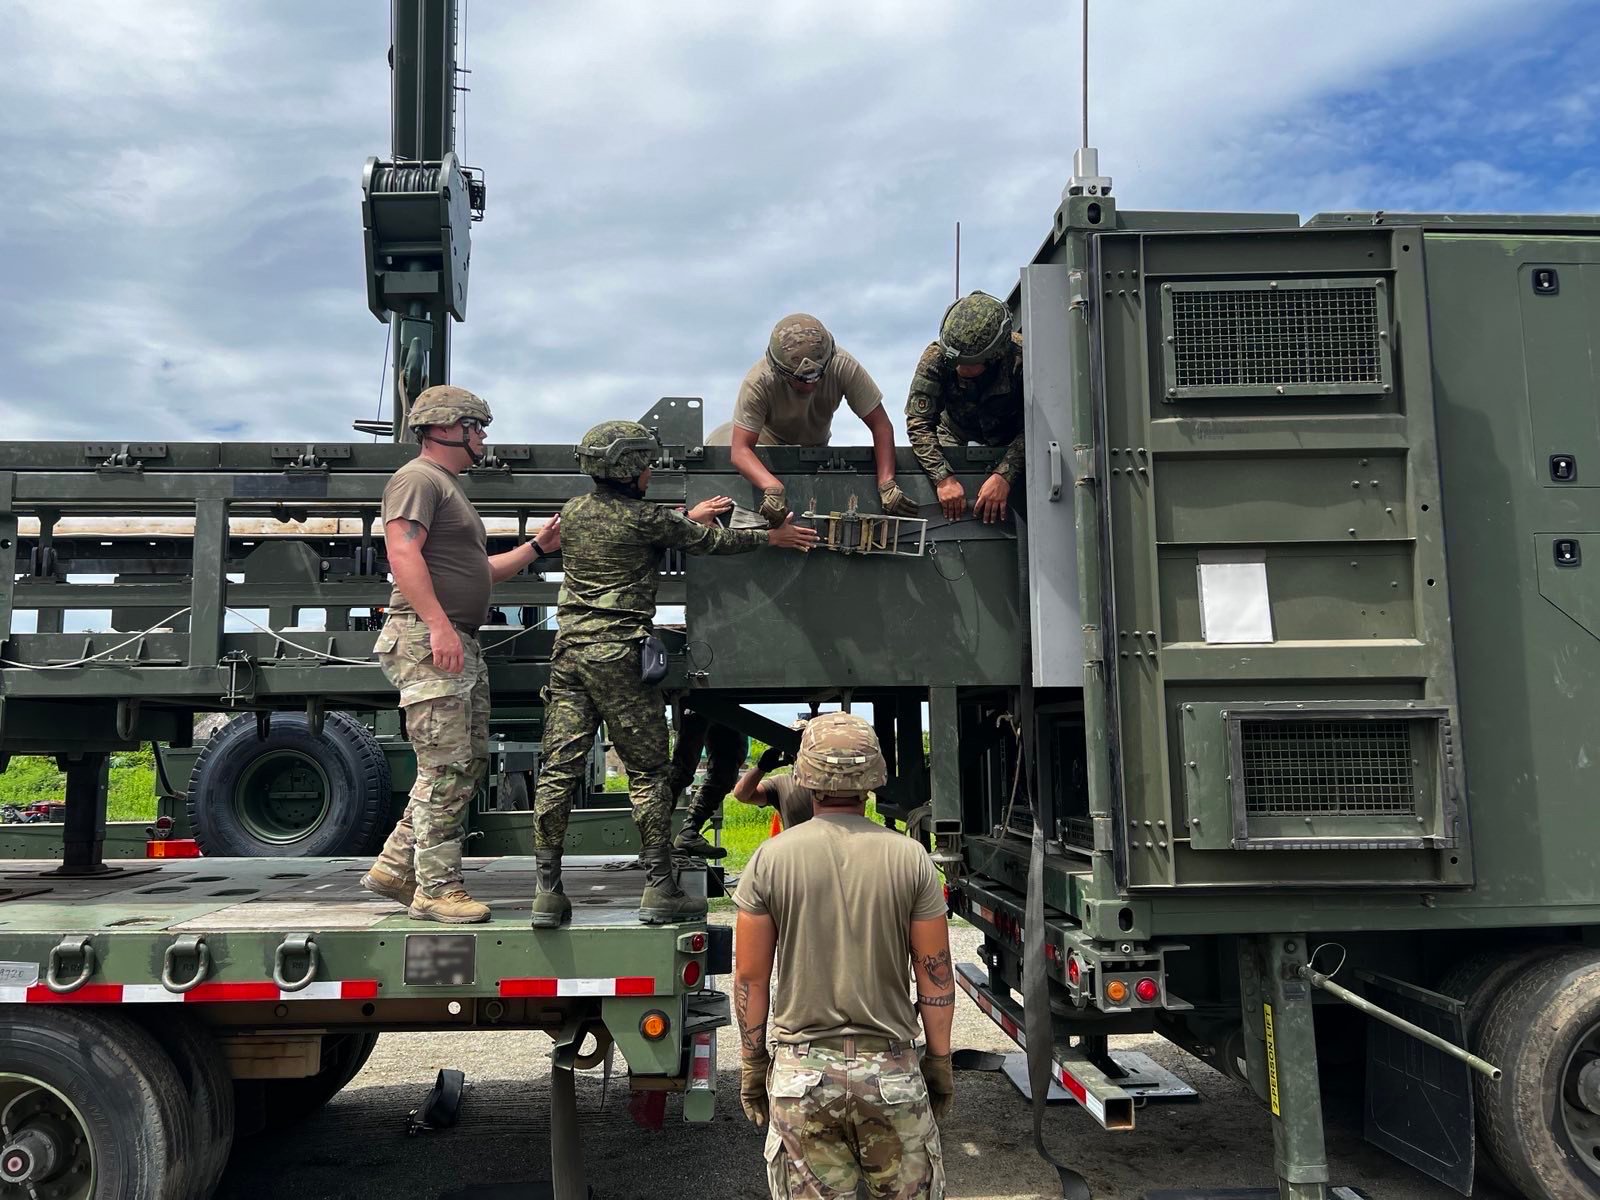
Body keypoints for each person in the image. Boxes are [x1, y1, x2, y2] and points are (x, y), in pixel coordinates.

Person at [532, 420, 818, 928]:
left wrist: (688, 518)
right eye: (644, 465)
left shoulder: (573, 514)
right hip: (619, 655)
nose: (649, 472)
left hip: (569, 654)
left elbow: (649, 532)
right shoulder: (646, 519)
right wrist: (772, 536)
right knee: (647, 775)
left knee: (558, 772)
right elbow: (706, 542)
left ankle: (547, 894)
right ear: (629, 469)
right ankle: (659, 889)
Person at [361, 385, 562, 925]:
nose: (483, 437)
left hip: (454, 638)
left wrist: (539, 548)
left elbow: (483, 572)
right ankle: (435, 888)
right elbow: (401, 550)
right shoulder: (418, 479)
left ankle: (398, 867)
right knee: (445, 764)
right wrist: (437, 626)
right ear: (449, 427)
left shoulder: (446, 488)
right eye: (477, 426)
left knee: (462, 762)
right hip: (432, 638)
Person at [733, 713, 955, 1199]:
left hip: (802, 1078)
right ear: (873, 779)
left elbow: (750, 978)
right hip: (892, 1076)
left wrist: (752, 1064)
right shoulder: (911, 858)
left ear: (806, 778)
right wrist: (938, 1061)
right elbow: (935, 977)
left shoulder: (769, 860)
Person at [718, 313, 919, 527]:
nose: (810, 385)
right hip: (765, 450)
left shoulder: (842, 365)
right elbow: (740, 450)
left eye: (818, 376)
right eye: (801, 380)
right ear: (779, 371)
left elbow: (881, 426)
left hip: (816, 447)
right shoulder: (759, 381)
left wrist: (886, 483)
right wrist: (771, 487)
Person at [905, 290, 1025, 525]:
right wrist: (943, 478)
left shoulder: (1022, 359)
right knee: (948, 513)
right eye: (954, 361)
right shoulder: (937, 357)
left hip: (1011, 440)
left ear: (994, 356)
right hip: (954, 432)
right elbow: (919, 423)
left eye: (967, 363)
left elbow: (1041, 425)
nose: (957, 368)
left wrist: (1005, 475)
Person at [667, 711, 750, 859]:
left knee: (725, 773)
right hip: (696, 698)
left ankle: (689, 833)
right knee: (680, 770)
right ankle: (655, 842)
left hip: (727, 700)